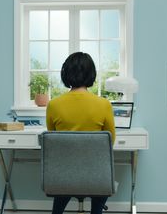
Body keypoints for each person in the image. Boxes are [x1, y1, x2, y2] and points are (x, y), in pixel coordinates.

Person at [46, 52, 116, 214]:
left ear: (66, 74)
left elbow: (53, 139)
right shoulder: (104, 105)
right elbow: (109, 143)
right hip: (96, 179)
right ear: (91, 74)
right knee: (100, 175)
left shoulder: (53, 105)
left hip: (63, 178)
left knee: (66, 172)